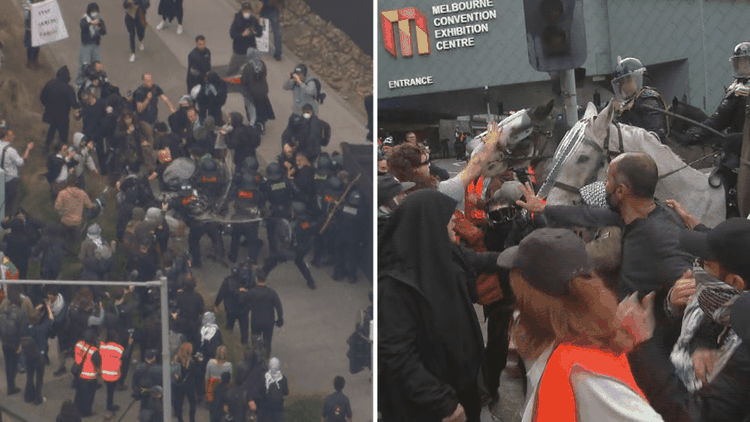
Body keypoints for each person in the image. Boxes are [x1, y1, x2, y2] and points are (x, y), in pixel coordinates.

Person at [494, 227, 664, 421]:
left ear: (537, 303)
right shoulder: (560, 335)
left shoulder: (584, 374)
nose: (517, 303)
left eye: (521, 296)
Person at [516, 152, 695, 302]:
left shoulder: (659, 233)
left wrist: (670, 303)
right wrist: (543, 208)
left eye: (608, 180)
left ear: (620, 191)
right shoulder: (630, 215)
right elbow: (587, 214)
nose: (604, 186)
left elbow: (688, 288)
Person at [624, 217, 750, 422]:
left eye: (706, 264)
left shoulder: (743, 347)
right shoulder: (713, 300)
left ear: (734, 281)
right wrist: (673, 307)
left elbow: (697, 415)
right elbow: (685, 339)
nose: (697, 268)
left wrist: (642, 346)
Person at [379, 190, 485, 422]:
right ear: (430, 224)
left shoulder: (440, 254)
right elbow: (398, 355)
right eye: (448, 216)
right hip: (431, 408)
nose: (455, 220)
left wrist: (528, 252)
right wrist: (441, 402)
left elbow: (482, 260)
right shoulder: (395, 285)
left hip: (461, 390)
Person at [387, 122, 502, 202]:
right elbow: (472, 169)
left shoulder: (391, 197)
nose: (429, 165)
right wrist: (489, 145)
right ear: (413, 169)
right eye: (425, 162)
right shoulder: (431, 194)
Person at [611, 56, 669, 142]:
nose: (623, 87)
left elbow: (656, 135)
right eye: (621, 83)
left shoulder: (648, 99)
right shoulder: (626, 104)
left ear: (638, 79)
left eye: (627, 81)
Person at [40, 66, 80, 153]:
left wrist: (47, 105)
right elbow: (74, 104)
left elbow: (42, 97)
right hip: (63, 117)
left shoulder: (50, 84)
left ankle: (46, 148)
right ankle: (60, 151)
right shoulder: (69, 89)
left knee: (52, 130)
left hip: (50, 114)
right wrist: (82, 105)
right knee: (63, 136)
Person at [0, 122, 33, 217]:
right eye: (11, 134)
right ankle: (11, 220)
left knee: (3, 201)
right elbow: (21, 163)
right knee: (13, 202)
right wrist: (28, 149)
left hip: (1, 179)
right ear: (6, 136)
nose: (13, 136)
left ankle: (3, 219)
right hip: (11, 180)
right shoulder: (11, 150)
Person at [245, 274, 283, 353]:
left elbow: (246, 305)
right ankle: (266, 357)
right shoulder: (271, 293)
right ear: (265, 280)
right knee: (267, 341)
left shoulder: (252, 292)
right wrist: (280, 319)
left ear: (256, 280)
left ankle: (256, 357)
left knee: (255, 341)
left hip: (256, 321)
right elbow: (278, 307)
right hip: (268, 321)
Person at [54, 177, 98, 243]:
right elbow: (90, 206)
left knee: (60, 241)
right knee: (77, 244)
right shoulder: (82, 193)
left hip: (65, 222)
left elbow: (57, 207)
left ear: (67, 183)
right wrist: (95, 205)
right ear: (76, 183)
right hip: (76, 223)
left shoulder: (62, 193)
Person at [241, 47, 275, 131]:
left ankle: (253, 125)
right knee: (261, 108)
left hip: (252, 92)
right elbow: (265, 74)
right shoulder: (262, 64)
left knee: (251, 108)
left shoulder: (248, 67)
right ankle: (262, 124)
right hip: (263, 91)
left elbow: (244, 80)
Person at [228, 2, 262, 76]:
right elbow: (232, 34)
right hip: (239, 50)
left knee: (252, 69)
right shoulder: (237, 21)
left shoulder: (253, 20)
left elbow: (260, 33)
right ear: (242, 11)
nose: (247, 12)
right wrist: (242, 34)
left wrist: (255, 32)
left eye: (248, 11)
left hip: (251, 49)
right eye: (245, 11)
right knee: (233, 69)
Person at [76, 3, 107, 86]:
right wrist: (91, 23)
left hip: (95, 45)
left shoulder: (99, 20)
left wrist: (99, 27)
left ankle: (95, 80)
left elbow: (104, 31)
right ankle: (80, 82)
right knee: (84, 64)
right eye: (93, 11)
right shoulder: (85, 19)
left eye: (96, 11)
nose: (95, 13)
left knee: (97, 64)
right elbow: (82, 26)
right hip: (86, 45)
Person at [73, 329, 101, 417]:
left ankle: (77, 409)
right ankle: (86, 412)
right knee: (89, 397)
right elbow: (98, 364)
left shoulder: (78, 345)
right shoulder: (93, 351)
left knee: (79, 394)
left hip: (79, 375)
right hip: (90, 378)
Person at [100, 329, 128, 412]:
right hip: (114, 375)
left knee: (109, 391)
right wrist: (129, 344)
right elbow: (125, 356)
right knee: (111, 392)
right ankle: (109, 406)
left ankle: (109, 404)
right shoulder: (118, 348)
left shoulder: (103, 347)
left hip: (105, 374)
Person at [172, 342, 197, 422]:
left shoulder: (176, 359)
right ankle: (192, 419)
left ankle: (180, 420)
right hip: (189, 385)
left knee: (178, 404)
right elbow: (195, 373)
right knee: (192, 402)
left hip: (179, 385)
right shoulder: (191, 362)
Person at [258, 357, 288, 422]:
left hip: (266, 411)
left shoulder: (265, 377)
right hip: (279, 411)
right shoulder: (283, 379)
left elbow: (260, 392)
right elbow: (286, 392)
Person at [22, 0, 43, 69]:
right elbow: (26, 15)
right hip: (30, 27)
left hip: (39, 26)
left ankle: (35, 59)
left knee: (37, 45)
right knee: (30, 44)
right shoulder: (29, 3)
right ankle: (29, 61)